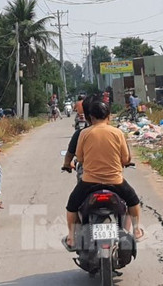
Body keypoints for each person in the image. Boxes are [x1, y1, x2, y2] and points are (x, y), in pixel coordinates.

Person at [60, 95, 142, 249]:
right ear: (109, 116)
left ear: (90, 116)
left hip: (89, 182)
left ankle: (71, 238)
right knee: (133, 201)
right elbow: (125, 159)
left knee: (71, 207)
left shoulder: (84, 133)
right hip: (116, 182)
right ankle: (136, 231)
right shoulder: (117, 133)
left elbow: (80, 158)